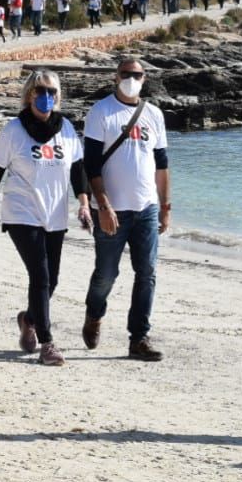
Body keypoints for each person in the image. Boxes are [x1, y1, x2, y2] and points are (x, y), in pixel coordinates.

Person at [0, 70, 92, 366]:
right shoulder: (13, 130)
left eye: (51, 91)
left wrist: (84, 205)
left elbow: (78, 172)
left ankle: (28, 319)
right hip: (21, 212)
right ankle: (48, 344)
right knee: (40, 275)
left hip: (55, 214)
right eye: (40, 90)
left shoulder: (66, 129)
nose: (46, 96)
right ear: (29, 95)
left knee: (53, 280)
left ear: (58, 96)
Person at [82, 58, 170, 361]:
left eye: (138, 75)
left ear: (144, 79)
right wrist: (103, 205)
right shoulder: (101, 111)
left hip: (146, 207)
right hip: (111, 210)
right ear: (115, 77)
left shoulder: (154, 115)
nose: (132, 78)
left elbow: (161, 164)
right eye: (126, 74)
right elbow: (91, 164)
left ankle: (139, 338)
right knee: (106, 274)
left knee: (147, 273)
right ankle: (94, 314)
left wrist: (165, 205)